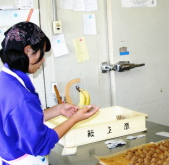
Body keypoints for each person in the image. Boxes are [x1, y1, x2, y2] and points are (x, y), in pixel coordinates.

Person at [0, 21, 99, 165]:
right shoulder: (20, 97)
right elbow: (42, 144)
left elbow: (21, 121)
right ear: (28, 50)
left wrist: (58, 109)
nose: (43, 60)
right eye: (42, 52)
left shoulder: (5, 81)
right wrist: (75, 119)